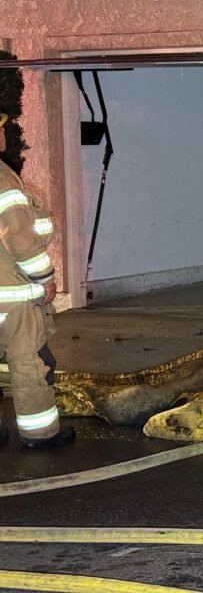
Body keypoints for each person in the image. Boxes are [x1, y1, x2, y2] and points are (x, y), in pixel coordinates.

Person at [0, 113, 74, 449]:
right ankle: (40, 434)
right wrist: (46, 279)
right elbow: (19, 240)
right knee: (29, 362)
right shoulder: (2, 180)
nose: (4, 134)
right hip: (12, 299)